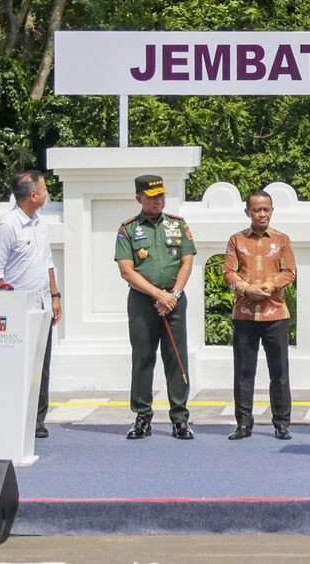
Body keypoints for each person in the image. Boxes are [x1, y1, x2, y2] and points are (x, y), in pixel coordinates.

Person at [116, 173, 196, 440]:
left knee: (176, 358)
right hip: (142, 301)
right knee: (143, 358)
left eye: (161, 196)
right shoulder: (128, 229)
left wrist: (172, 294)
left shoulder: (178, 224)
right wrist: (157, 295)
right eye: (151, 197)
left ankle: (180, 418)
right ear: (139, 198)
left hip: (174, 299)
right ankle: (142, 416)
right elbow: (127, 271)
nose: (157, 201)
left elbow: (187, 261)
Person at [0, 170, 63, 439]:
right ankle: (13, 416)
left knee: (41, 365)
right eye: (44, 189)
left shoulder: (40, 223)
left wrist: (55, 296)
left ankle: (37, 419)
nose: (47, 193)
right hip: (15, 308)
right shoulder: (7, 225)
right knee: (15, 366)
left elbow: (48, 261)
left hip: (42, 304)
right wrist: (2, 310)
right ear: (33, 195)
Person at [223, 189, 297, 441]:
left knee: (279, 371)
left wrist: (270, 286)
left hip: (275, 313)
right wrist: (247, 289)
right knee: (244, 371)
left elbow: (290, 272)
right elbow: (229, 274)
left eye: (266, 209)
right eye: (257, 210)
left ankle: (282, 423)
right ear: (248, 212)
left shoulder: (282, 240)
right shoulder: (236, 241)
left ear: (272, 211)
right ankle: (243, 423)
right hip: (244, 314)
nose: (262, 214)